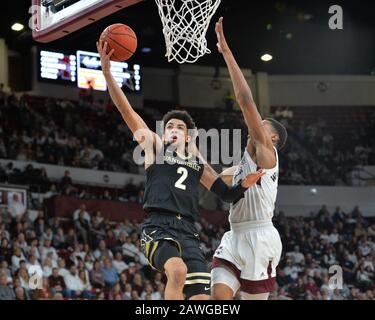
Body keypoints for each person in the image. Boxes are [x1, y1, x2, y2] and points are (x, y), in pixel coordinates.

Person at [97, 41, 263, 300]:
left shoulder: (198, 165)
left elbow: (227, 195)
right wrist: (107, 73)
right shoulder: (154, 148)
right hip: (158, 226)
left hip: (188, 230)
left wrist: (245, 183)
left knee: (201, 298)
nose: (173, 129)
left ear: (188, 137)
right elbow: (125, 110)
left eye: (180, 127)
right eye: (169, 126)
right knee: (177, 271)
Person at [210, 17, 288, 300]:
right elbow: (221, 183)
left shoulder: (267, 155)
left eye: (263, 124)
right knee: (219, 298)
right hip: (234, 235)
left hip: (260, 238)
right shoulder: (246, 161)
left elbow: (245, 100)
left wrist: (227, 52)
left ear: (273, 138)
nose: (257, 125)